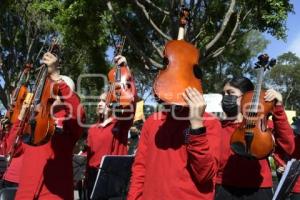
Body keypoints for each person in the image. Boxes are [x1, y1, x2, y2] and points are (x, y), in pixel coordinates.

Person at [128, 85, 222, 200]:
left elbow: (205, 175)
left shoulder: (211, 123)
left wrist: (197, 124)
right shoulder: (152, 122)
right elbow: (140, 169)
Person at [15, 52, 85, 200]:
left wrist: (56, 77)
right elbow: (13, 149)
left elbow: (77, 112)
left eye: (60, 90)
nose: (55, 93)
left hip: (55, 195)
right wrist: (20, 119)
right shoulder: (35, 119)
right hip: (24, 193)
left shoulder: (70, 121)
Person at [215, 77, 294, 200]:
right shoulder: (218, 126)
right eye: (223, 94)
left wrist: (278, 108)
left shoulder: (263, 126)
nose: (226, 97)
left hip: (258, 189)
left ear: (246, 96)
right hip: (223, 187)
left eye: (230, 93)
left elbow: (288, 146)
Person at [86, 55, 137, 198]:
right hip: (92, 177)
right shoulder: (92, 129)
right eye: (99, 101)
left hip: (113, 178)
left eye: (104, 101)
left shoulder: (121, 123)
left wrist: (125, 71)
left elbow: (131, 102)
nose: (100, 103)